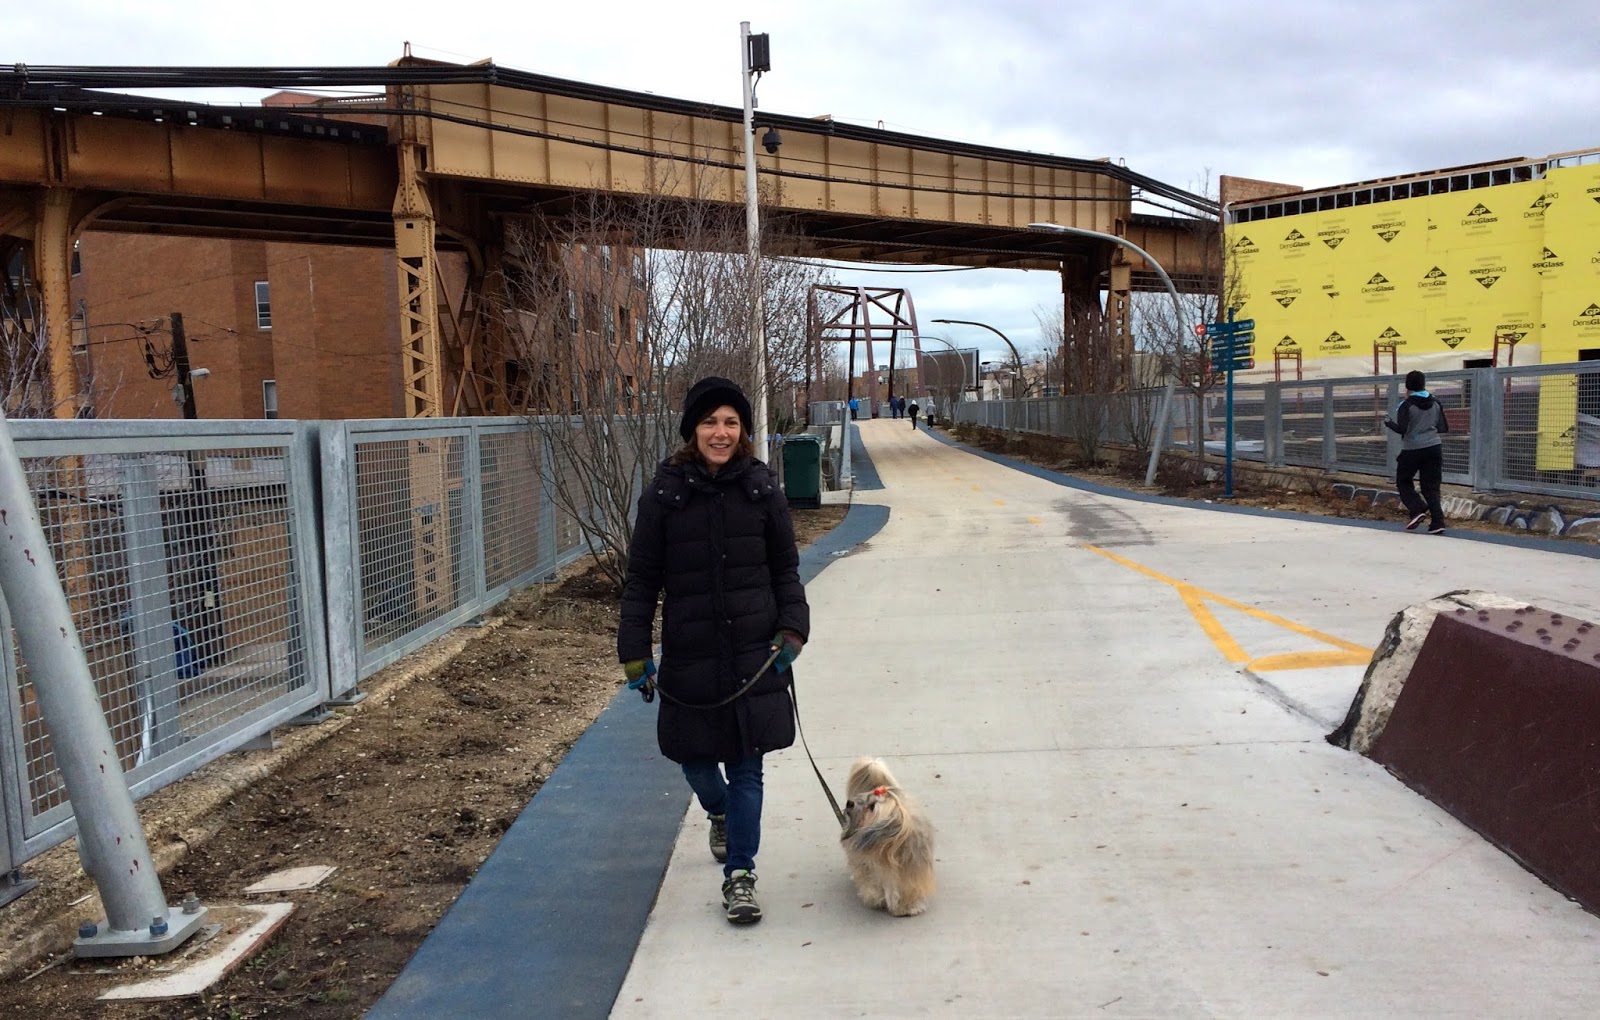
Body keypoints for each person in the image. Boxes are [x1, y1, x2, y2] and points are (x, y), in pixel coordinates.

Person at [618, 376, 810, 925]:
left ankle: (741, 875)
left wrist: (793, 629)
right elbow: (642, 581)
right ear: (692, 430)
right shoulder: (662, 496)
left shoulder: (763, 489)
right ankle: (719, 811)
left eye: (730, 422)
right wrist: (635, 651)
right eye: (710, 422)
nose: (720, 432)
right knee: (695, 759)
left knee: (748, 766)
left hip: (754, 650)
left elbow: (785, 570)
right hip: (691, 653)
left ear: (742, 430)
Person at [1384, 369, 1451, 534]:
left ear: (1407, 386)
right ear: (1423, 383)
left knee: (1403, 481)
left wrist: (1388, 423)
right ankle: (1438, 522)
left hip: (1412, 449)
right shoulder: (1435, 402)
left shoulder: (1406, 405)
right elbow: (1443, 427)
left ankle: (1417, 508)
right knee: (1431, 486)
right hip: (1434, 447)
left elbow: (1403, 429)